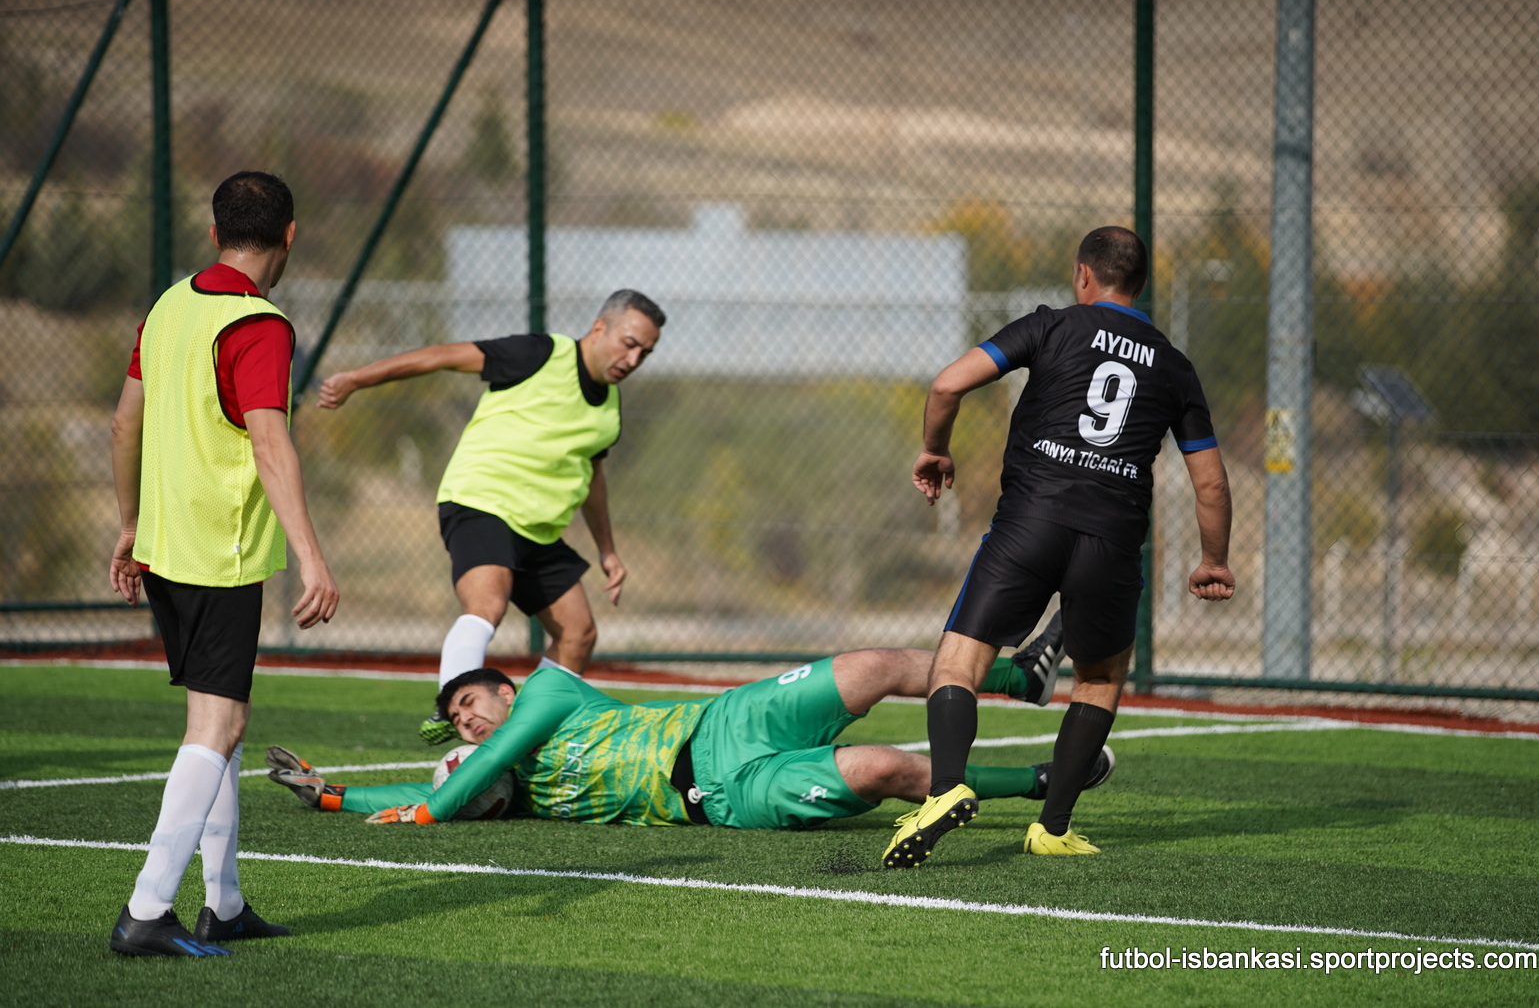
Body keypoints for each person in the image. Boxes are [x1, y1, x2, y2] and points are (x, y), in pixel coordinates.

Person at [883, 225, 1234, 868]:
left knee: (958, 661)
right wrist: (1213, 560)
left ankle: (946, 787)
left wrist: (936, 449)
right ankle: (1053, 827)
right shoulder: (1174, 366)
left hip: (1030, 522)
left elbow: (947, 384)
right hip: (1113, 539)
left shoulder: (1051, 325)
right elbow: (1210, 480)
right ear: (1140, 285)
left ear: (1083, 275)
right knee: (1098, 678)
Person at [107, 171, 340, 956]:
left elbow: (124, 423)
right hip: (219, 551)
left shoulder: (169, 306)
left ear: (215, 233)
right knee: (220, 724)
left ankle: (225, 902)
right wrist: (312, 557)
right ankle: (146, 910)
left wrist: (129, 523)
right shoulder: (259, 324)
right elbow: (270, 442)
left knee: (220, 725)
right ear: (290, 235)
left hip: (164, 545)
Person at [317, 290, 664, 744]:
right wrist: (356, 379)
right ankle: (452, 712)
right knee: (488, 606)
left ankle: (528, 736)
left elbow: (593, 477)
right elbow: (441, 356)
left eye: (645, 353)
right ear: (599, 328)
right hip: (482, 501)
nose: (633, 359)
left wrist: (608, 551)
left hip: (539, 529)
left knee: (579, 634)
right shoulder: (540, 355)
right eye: (629, 343)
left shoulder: (610, 408)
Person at [265, 646, 1113, 830]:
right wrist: (334, 793)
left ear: (506, 689)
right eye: (454, 721)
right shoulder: (513, 789)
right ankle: (1049, 780)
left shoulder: (548, 689)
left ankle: (1019, 676)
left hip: (727, 718)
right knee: (890, 769)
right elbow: (438, 787)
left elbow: (458, 780)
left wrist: (427, 812)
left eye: (469, 703)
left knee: (878, 665)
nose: (466, 721)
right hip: (723, 795)